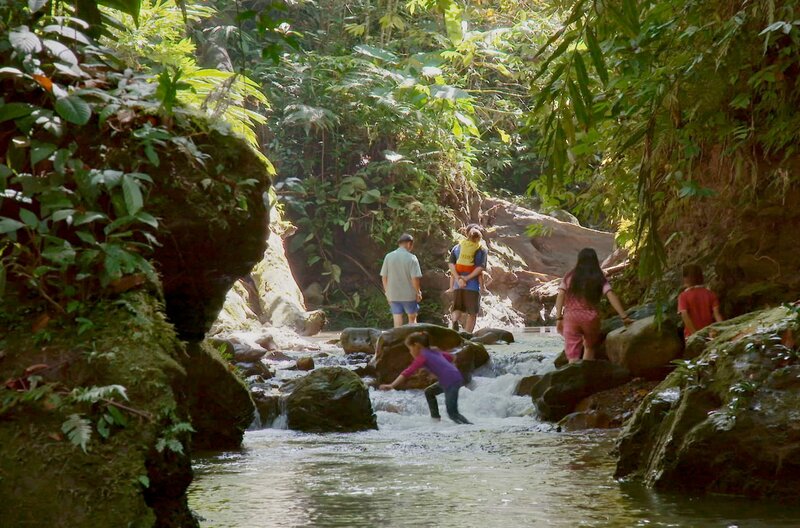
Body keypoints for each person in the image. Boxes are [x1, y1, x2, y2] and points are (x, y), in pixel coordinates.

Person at [554, 248, 632, 363]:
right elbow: (610, 294)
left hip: (571, 317)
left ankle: (572, 370)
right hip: (590, 317)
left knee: (573, 355)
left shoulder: (569, 276)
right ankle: (587, 368)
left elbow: (560, 295)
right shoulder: (598, 277)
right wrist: (624, 317)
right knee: (590, 347)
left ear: (579, 260)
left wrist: (558, 318)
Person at [379, 331, 471, 424]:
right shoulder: (433, 351)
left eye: (410, 349)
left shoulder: (422, 356)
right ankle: (435, 419)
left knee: (452, 413)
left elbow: (408, 371)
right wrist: (442, 368)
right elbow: (452, 358)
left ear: (416, 346)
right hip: (451, 378)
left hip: (451, 381)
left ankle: (470, 427)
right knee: (429, 392)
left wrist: (392, 385)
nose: (410, 352)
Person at [447, 224, 487, 333]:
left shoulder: (457, 247)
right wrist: (466, 278)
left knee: (457, 308)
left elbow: (451, 264)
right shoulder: (481, 249)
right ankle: (468, 335)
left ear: (466, 233)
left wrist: (458, 278)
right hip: (472, 286)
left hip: (457, 285)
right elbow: (480, 268)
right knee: (472, 313)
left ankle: (454, 322)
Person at [380, 233, 423, 328]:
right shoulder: (412, 258)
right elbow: (415, 279)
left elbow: (384, 277)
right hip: (409, 295)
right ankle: (412, 336)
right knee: (412, 318)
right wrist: (418, 292)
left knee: (397, 319)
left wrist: (387, 293)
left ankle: (398, 336)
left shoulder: (388, 257)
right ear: (409, 244)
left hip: (393, 295)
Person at [678, 264, 724, 337]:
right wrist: (723, 330)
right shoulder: (710, 294)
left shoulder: (683, 296)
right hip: (709, 334)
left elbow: (685, 315)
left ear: (686, 278)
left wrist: (695, 334)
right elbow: (717, 315)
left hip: (691, 336)